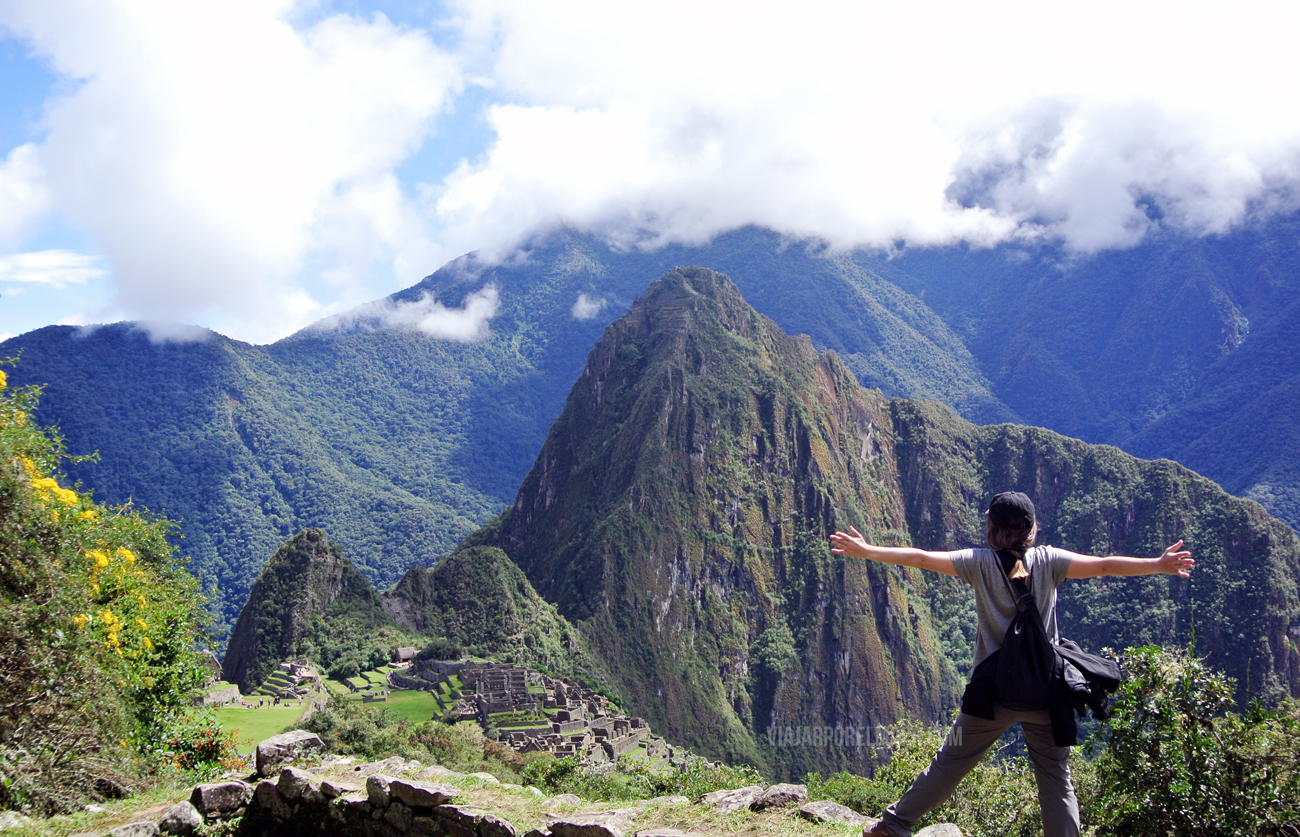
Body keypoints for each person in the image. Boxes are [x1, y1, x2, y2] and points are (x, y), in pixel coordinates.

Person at [829, 491, 1193, 837]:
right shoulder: (1049, 561)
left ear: (992, 527)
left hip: (995, 694)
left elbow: (921, 558)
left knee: (951, 761)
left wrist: (866, 551)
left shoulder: (978, 563)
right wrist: (1158, 565)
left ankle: (893, 826)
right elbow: (1103, 566)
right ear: (1031, 529)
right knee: (1055, 776)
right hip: (1047, 692)